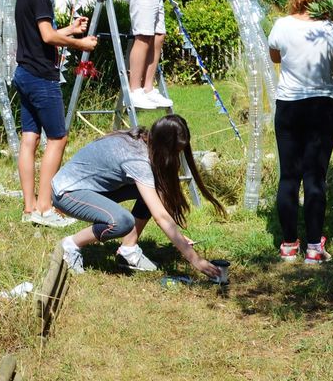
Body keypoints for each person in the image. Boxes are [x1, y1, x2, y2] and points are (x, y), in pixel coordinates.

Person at [52, 114, 225, 277]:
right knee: (122, 222)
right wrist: (195, 260)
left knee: (156, 188)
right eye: (174, 152)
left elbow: (160, 199)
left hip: (92, 188)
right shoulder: (138, 160)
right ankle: (71, 244)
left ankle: (128, 248)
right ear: (164, 147)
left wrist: (177, 236)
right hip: (67, 192)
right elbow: (160, 216)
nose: (176, 157)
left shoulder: (145, 139)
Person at [268, 0, 333, 264]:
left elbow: (275, 57)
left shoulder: (282, 25)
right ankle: (314, 247)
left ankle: (289, 244)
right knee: (315, 176)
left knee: (289, 176)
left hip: (289, 106)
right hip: (322, 107)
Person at [14, 0, 99, 227]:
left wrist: (70, 29)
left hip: (23, 74)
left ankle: (29, 210)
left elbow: (42, 34)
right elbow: (48, 38)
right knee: (58, 138)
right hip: (40, 77)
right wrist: (80, 41)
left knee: (29, 139)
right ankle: (46, 207)